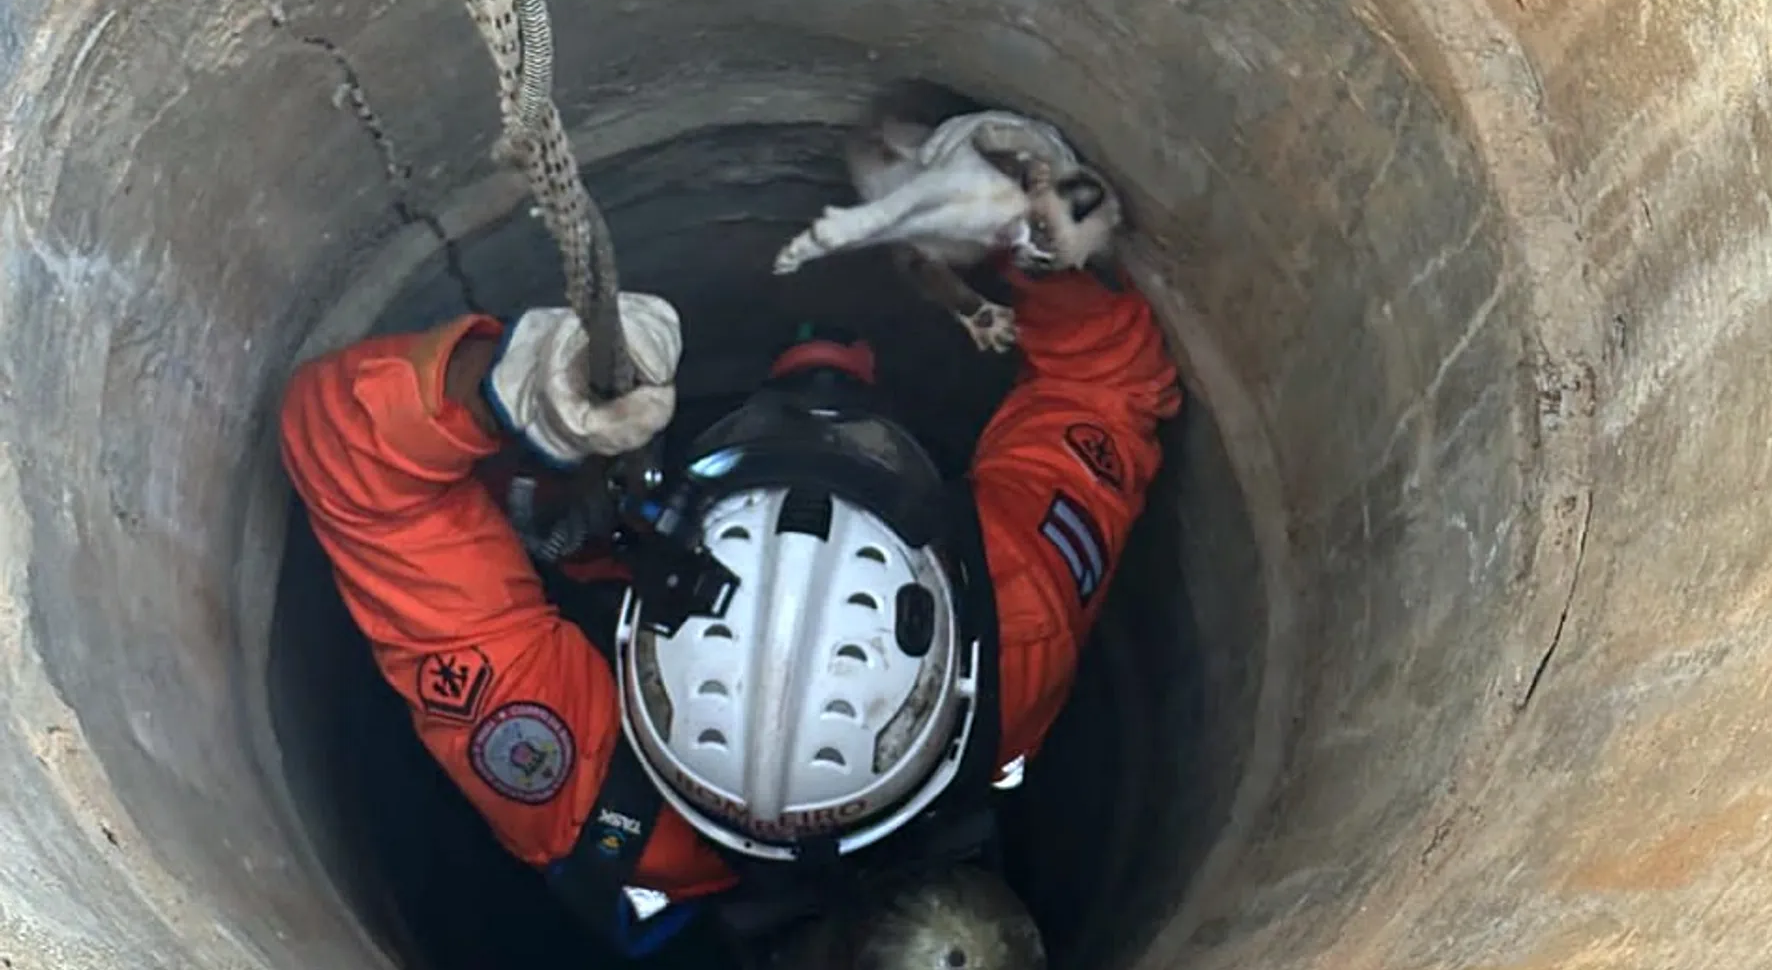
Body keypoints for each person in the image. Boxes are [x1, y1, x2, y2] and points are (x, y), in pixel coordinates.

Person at [279, 261, 1181, 960]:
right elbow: (1110, 382)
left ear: (643, 634)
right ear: (940, 615)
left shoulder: (584, 777)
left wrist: (507, 389)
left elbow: (348, 457)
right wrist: (1018, 242)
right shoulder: (1017, 621)